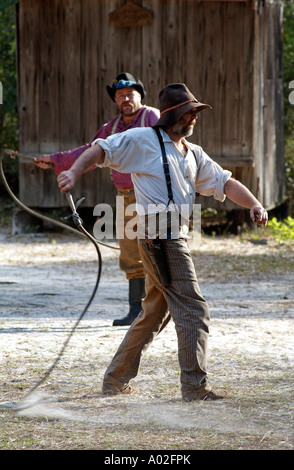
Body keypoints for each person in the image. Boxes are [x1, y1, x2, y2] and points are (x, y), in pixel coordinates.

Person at [56, 83, 268, 402]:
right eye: (190, 112)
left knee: (155, 313)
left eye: (196, 112)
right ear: (174, 116)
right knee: (195, 309)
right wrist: (73, 172)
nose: (195, 117)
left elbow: (224, 181)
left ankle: (115, 381)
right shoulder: (144, 140)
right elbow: (102, 148)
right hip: (161, 239)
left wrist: (254, 203)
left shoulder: (192, 153)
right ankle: (195, 387)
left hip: (173, 236)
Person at [34, 73, 160, 326]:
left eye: (130, 94)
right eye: (120, 96)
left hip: (154, 194)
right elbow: (88, 153)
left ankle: (163, 308)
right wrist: (56, 160)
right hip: (126, 196)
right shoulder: (110, 128)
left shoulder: (152, 118)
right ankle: (137, 311)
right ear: (115, 100)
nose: (125, 99)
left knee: (161, 250)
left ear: (140, 96)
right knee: (130, 254)